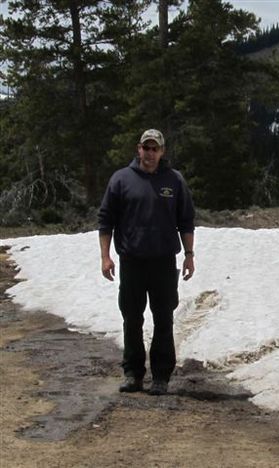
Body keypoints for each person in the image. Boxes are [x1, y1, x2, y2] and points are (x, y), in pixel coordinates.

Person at [98, 129, 195, 395]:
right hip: (132, 261)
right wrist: (105, 257)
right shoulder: (121, 180)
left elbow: (186, 221)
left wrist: (189, 255)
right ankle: (133, 374)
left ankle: (161, 377)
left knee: (163, 318)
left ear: (162, 152)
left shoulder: (174, 181)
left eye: (155, 149)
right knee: (131, 318)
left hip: (164, 262)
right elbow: (106, 220)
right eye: (146, 148)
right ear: (138, 149)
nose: (150, 153)